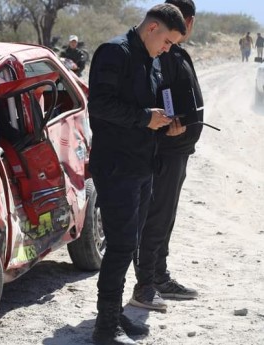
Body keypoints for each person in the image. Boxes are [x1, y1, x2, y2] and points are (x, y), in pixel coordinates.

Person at [88, 4, 185, 345]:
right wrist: (146, 117)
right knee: (120, 246)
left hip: (143, 165)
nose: (168, 49)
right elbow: (98, 105)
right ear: (153, 27)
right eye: (168, 41)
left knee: (129, 244)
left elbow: (152, 105)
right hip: (116, 167)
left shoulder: (151, 59)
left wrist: (165, 126)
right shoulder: (116, 52)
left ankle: (114, 316)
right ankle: (105, 329)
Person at [130, 0, 202, 313]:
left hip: (179, 149)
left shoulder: (173, 50)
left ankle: (159, 275)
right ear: (189, 21)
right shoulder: (161, 52)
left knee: (166, 216)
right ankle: (147, 282)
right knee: (156, 217)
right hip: (166, 149)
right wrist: (169, 125)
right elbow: (162, 95)